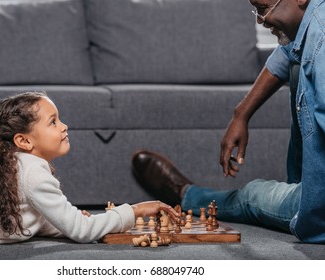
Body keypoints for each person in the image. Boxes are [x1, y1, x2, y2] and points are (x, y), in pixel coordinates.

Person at [132, 0, 325, 244]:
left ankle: (187, 195)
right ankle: (298, 188)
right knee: (296, 64)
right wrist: (241, 113)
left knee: (251, 195)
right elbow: (287, 52)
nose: (260, 20)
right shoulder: (315, 17)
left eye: (264, 8)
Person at [0, 92, 179, 246]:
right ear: (24, 141)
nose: (64, 126)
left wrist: (65, 222)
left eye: (59, 119)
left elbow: (29, 217)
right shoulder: (33, 173)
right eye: (53, 122)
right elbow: (82, 232)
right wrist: (135, 210)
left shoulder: (15, 164)